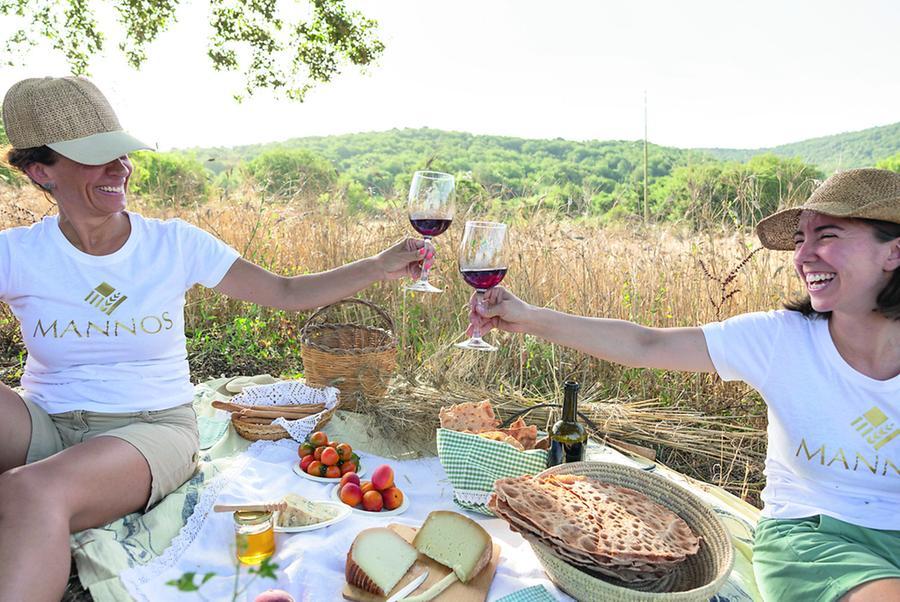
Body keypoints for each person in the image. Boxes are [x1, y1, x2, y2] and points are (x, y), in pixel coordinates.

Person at [0, 76, 433, 601]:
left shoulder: (173, 243)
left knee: (27, 492)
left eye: (121, 152)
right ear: (39, 170)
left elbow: (286, 291)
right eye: (96, 156)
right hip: (44, 421)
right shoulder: (18, 253)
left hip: (149, 429)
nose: (119, 168)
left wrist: (378, 264)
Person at [468, 168, 900, 602]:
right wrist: (526, 316)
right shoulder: (780, 340)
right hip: (814, 539)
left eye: (826, 236)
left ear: (894, 252)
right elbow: (645, 343)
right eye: (800, 239)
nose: (802, 255)